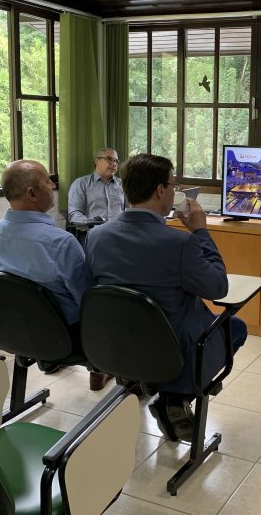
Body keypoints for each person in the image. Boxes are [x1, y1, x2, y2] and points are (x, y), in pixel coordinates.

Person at [85, 153, 247, 441]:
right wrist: (201, 232)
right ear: (161, 190)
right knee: (236, 327)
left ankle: (145, 382)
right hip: (173, 352)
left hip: (118, 343)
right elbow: (218, 288)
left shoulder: (96, 237)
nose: (175, 191)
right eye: (173, 185)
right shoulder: (180, 243)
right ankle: (176, 395)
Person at [0, 160, 108, 390]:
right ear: (31, 193)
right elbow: (88, 301)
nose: (52, 185)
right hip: (64, 337)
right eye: (47, 181)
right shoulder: (60, 242)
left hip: (13, 329)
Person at [67, 148, 127, 224]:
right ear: (97, 161)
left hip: (120, 232)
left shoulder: (123, 184)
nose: (114, 164)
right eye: (109, 159)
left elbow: (130, 211)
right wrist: (93, 225)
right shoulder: (81, 183)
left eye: (116, 161)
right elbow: (75, 214)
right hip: (92, 232)